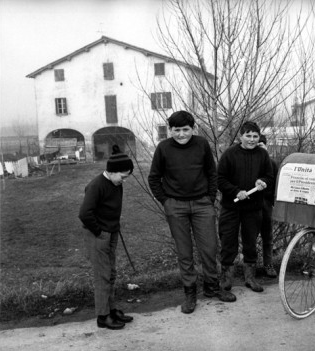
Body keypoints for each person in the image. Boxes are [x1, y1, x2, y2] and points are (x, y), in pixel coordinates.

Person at [148, 110, 236, 314]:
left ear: (193, 128)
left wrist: (210, 197)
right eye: (176, 130)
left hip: (202, 205)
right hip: (175, 206)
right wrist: (166, 202)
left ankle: (212, 288)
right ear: (170, 130)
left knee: (209, 248)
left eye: (185, 130)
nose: (180, 134)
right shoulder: (163, 148)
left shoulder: (201, 144)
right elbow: (154, 178)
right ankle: (190, 293)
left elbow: (211, 173)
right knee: (184, 252)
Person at [78, 145, 135, 330]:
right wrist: (100, 231)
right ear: (111, 172)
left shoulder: (115, 183)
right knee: (102, 275)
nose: (124, 180)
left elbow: (111, 208)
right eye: (123, 176)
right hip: (98, 235)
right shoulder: (96, 186)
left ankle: (111, 310)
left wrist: (112, 227)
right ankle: (102, 317)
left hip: (111, 233)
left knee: (111, 273)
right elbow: (85, 213)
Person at [218, 121, 274, 292]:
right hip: (231, 207)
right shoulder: (229, 154)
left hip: (254, 208)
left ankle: (250, 278)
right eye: (248, 136)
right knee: (228, 242)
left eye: (255, 136)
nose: (251, 139)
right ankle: (226, 279)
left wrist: (262, 182)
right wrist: (236, 192)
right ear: (240, 136)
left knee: (250, 243)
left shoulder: (262, 155)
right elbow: (220, 179)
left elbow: (269, 177)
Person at [258, 134, 279, 278]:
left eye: (261, 145)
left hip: (266, 204)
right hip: (250, 205)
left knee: (268, 236)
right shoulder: (248, 162)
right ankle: (250, 266)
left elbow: (277, 185)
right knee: (249, 237)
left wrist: (273, 203)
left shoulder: (272, 163)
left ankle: (268, 264)